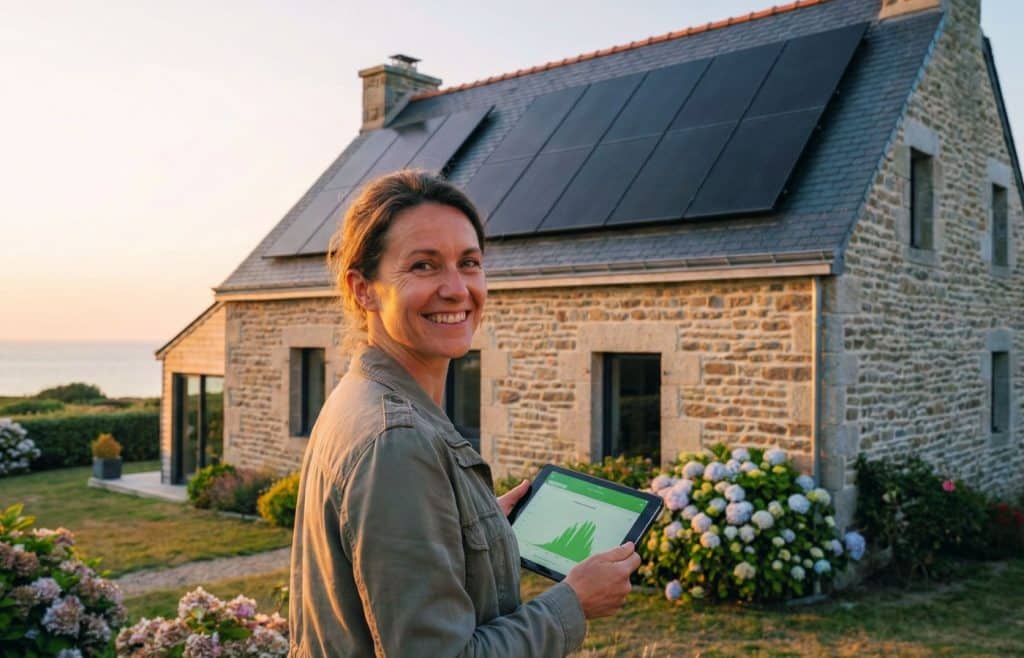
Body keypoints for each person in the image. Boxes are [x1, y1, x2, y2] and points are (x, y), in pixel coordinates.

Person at [289, 170, 641, 657]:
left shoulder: (361, 394)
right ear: (362, 290)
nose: (457, 289)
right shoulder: (398, 439)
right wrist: (574, 604)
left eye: (469, 263)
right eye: (423, 266)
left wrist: (471, 528)